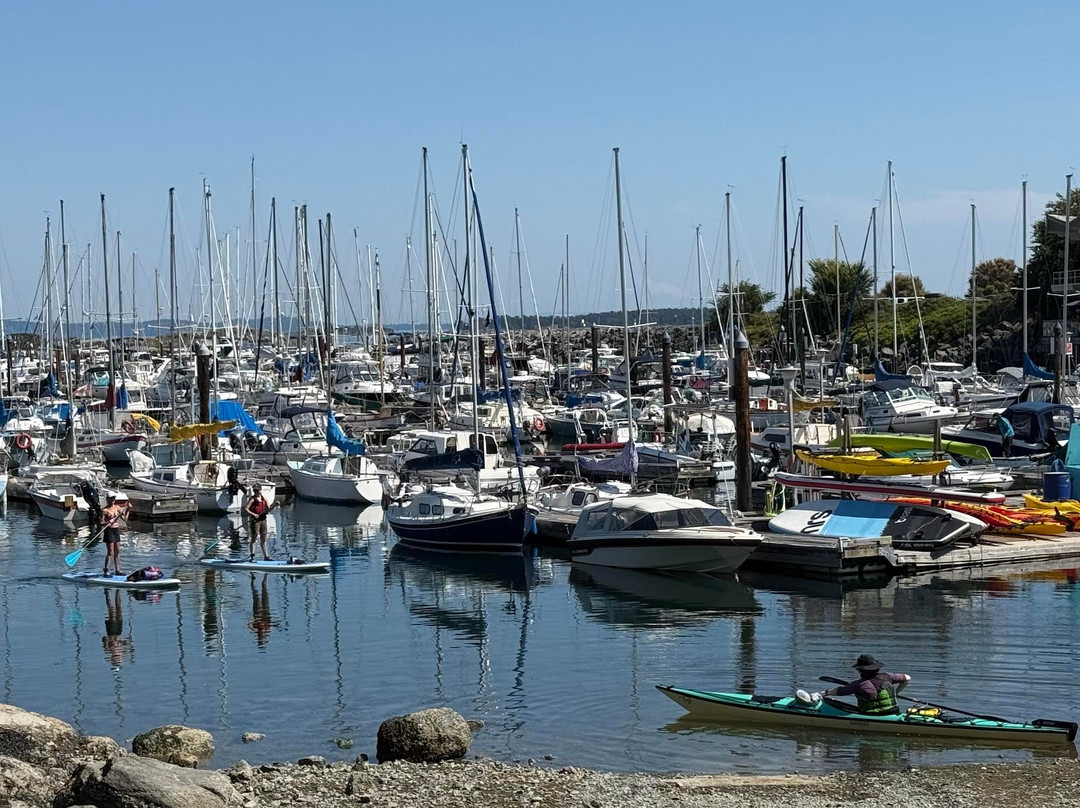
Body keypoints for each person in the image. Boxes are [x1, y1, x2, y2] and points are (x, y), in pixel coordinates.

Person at [812, 654, 911, 716]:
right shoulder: (888, 676)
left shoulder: (858, 685)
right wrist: (896, 692)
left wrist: (823, 693)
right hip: (893, 712)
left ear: (860, 670)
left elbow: (839, 691)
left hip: (872, 715)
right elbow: (907, 678)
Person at [101, 492, 131, 577]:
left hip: (116, 530)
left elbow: (125, 519)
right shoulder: (104, 510)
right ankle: (106, 570)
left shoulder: (117, 508)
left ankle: (118, 570)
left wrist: (128, 509)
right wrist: (108, 522)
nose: (113, 499)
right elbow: (101, 523)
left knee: (117, 551)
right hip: (109, 531)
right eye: (111, 498)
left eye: (114, 498)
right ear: (108, 499)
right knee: (110, 552)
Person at [244, 489, 273, 561]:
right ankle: (252, 556)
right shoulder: (252, 499)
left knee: (264, 538)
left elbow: (268, 510)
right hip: (255, 520)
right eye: (255, 491)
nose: (256, 493)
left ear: (260, 490)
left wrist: (275, 505)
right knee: (254, 537)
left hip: (263, 520)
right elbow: (246, 509)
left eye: (257, 491)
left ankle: (266, 556)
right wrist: (254, 514)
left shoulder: (264, 499)